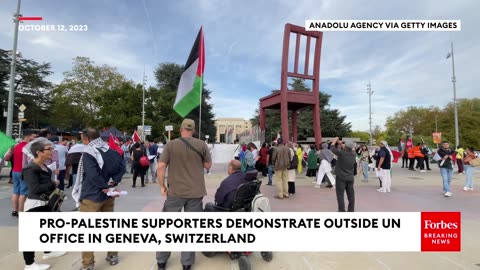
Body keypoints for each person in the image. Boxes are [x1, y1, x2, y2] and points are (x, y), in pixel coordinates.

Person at [156, 119, 212, 270]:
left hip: (175, 192)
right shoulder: (202, 145)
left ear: (181, 129)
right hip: (195, 192)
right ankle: (186, 264)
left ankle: (161, 261)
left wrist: (162, 186)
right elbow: (208, 165)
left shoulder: (171, 145)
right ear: (193, 130)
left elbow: (161, 166)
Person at [75, 128, 126, 270]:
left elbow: (92, 174)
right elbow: (122, 169)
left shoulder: (88, 153)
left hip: (92, 196)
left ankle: (88, 263)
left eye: (82, 138)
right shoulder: (113, 152)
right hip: (108, 196)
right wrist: (112, 184)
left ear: (87, 139)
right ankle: (113, 255)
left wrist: (103, 186)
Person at [22, 140, 67, 270]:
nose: (52, 151)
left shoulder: (45, 167)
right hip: (35, 204)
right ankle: (29, 264)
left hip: (46, 202)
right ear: (39, 152)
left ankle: (48, 251)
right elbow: (34, 189)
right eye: (48, 149)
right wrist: (53, 183)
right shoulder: (30, 169)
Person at [11, 130, 37, 217]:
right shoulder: (27, 147)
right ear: (28, 136)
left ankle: (15, 210)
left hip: (15, 171)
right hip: (23, 172)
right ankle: (21, 212)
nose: (34, 138)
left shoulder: (16, 146)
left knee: (16, 191)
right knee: (24, 192)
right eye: (33, 137)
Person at [329, 137, 356, 212]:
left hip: (341, 177)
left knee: (340, 195)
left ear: (345, 147)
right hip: (350, 177)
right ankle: (351, 210)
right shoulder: (354, 154)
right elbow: (346, 148)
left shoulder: (341, 153)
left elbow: (332, 147)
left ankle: (341, 210)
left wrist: (335, 139)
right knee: (351, 195)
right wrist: (340, 142)